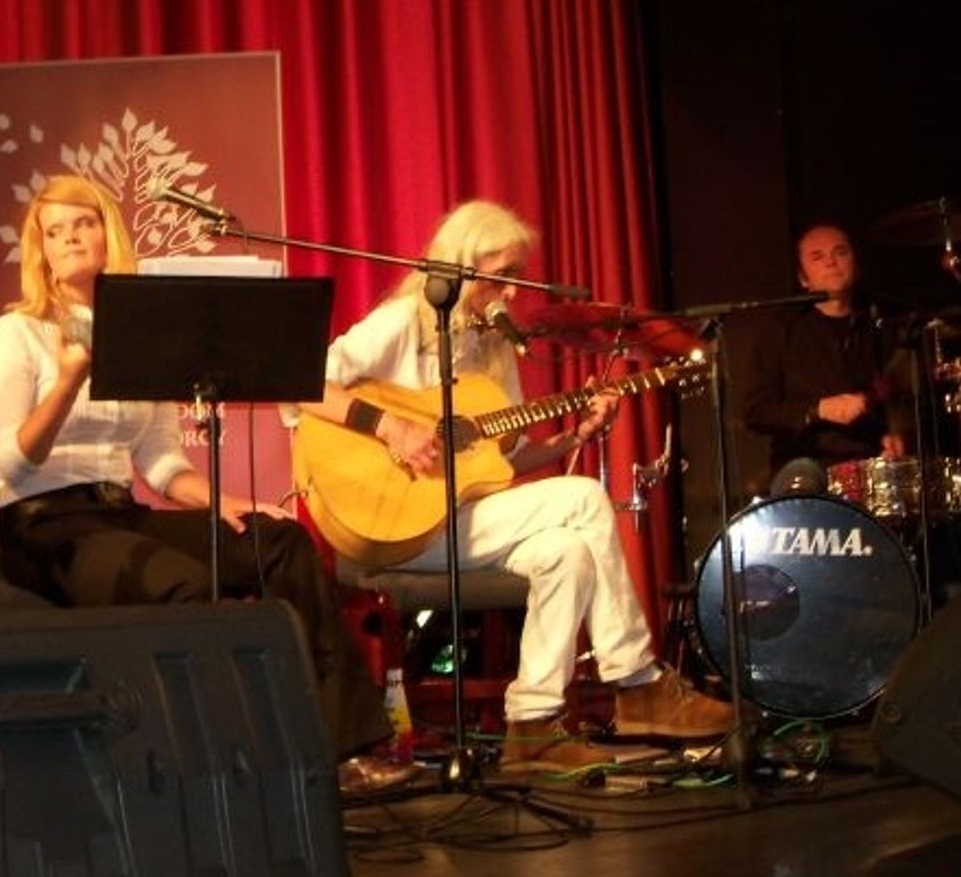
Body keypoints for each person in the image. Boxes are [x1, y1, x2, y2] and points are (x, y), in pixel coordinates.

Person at [0, 174, 396, 775]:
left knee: (279, 542)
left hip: (118, 514)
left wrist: (222, 500)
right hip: (41, 526)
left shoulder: (138, 335)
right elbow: (9, 462)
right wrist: (67, 381)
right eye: (54, 231)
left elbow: (161, 461)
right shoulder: (17, 332)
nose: (70, 238)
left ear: (107, 234)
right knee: (184, 585)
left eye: (84, 223)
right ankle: (215, 761)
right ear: (40, 251)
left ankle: (340, 748)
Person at [295, 200, 735, 773]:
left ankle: (531, 727)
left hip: (453, 520)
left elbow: (500, 462)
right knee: (584, 498)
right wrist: (388, 425)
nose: (509, 293)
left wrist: (573, 436)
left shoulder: (495, 349)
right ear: (460, 265)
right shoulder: (404, 321)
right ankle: (637, 682)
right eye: (499, 276)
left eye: (517, 278)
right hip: (389, 523)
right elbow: (298, 381)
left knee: (567, 552)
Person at [741, 222, 907, 486]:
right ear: (803, 278)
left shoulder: (881, 326)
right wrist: (817, 410)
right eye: (817, 257)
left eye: (840, 252)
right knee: (806, 474)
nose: (831, 262)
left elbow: (897, 395)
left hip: (870, 462)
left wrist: (896, 435)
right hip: (805, 461)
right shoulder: (780, 329)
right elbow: (755, 412)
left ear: (856, 266)